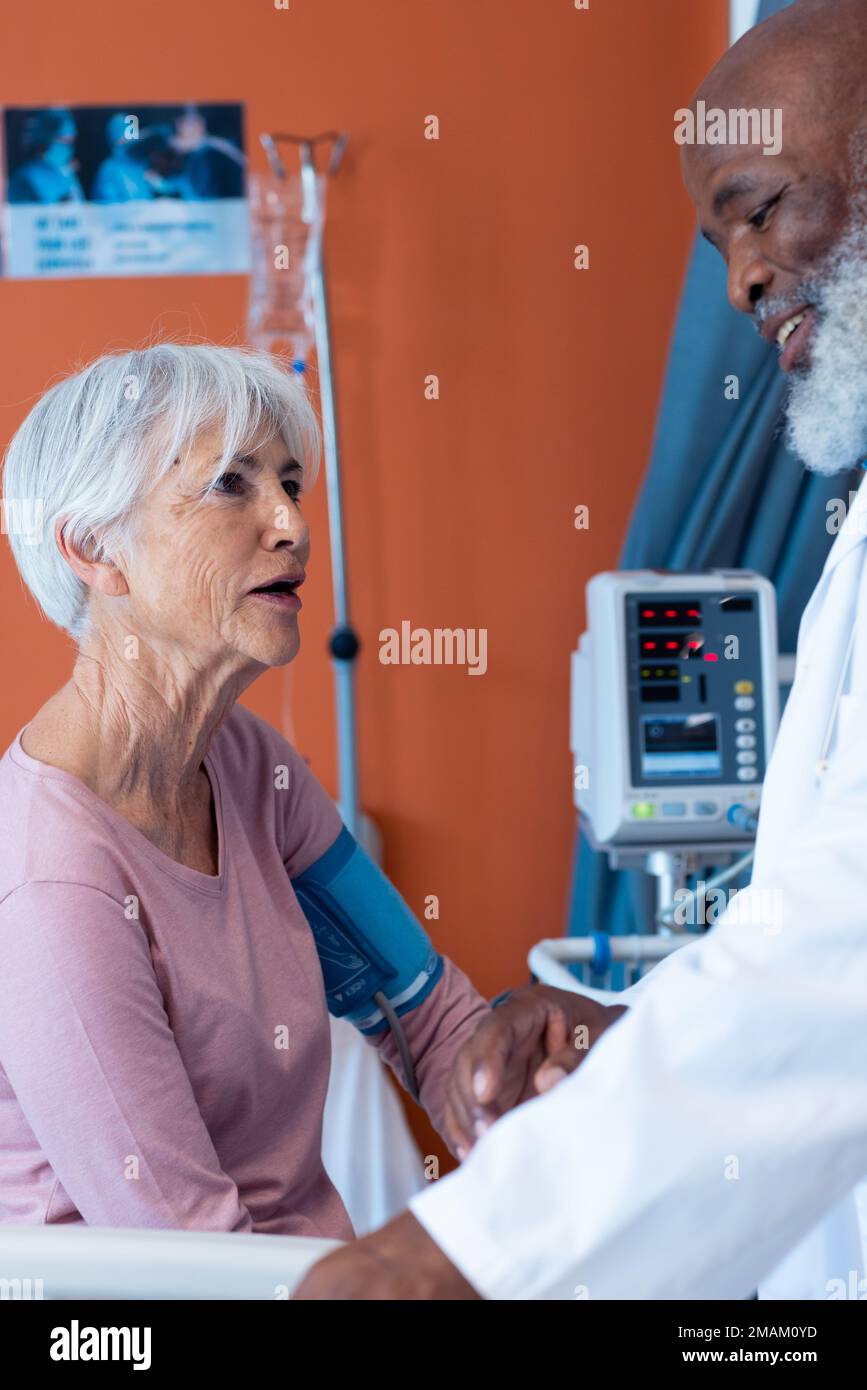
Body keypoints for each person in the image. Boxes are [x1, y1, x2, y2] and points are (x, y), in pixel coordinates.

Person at [294, 0, 867, 1300]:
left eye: (759, 205)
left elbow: (834, 954)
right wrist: (628, 1037)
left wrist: (452, 1251)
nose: (739, 282)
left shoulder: (272, 801)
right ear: (82, 548)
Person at [0, 344, 493, 1236]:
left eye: (291, 484)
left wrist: (553, 1133)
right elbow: (185, 1255)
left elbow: (422, 1010)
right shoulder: (49, 883)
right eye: (231, 484)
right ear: (93, 546)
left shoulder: (249, 765)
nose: (292, 525)